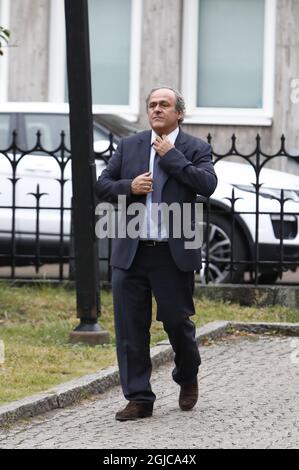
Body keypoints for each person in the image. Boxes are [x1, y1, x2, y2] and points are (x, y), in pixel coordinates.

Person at [96, 87, 217, 421]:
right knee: (130, 328)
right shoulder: (130, 145)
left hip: (172, 253)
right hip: (131, 253)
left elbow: (207, 185)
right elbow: (102, 185)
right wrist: (129, 187)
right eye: (152, 105)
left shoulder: (195, 148)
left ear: (179, 112)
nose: (157, 109)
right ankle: (139, 398)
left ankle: (187, 373)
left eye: (164, 105)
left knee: (177, 322)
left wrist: (171, 156)